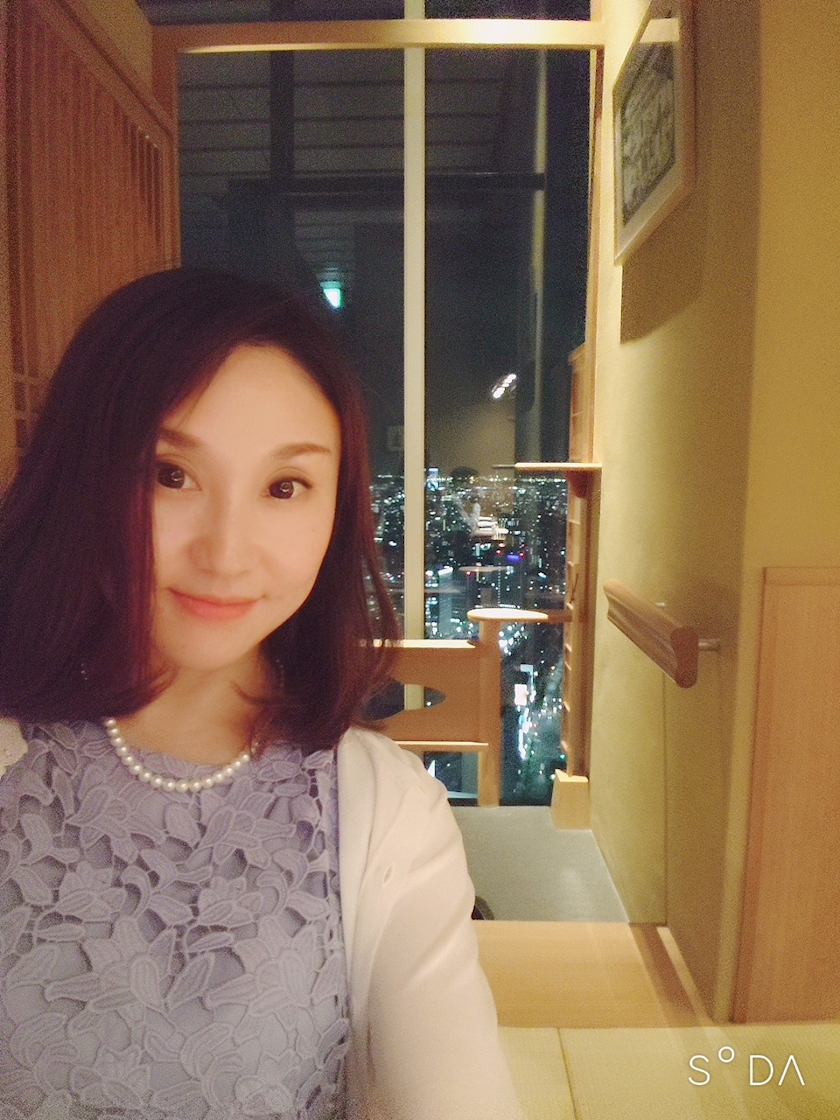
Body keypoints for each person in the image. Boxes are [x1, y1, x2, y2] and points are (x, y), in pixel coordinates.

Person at [0, 269, 522, 1120]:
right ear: (79, 474)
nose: (226, 553)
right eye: (170, 474)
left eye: (284, 488)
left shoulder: (382, 814)